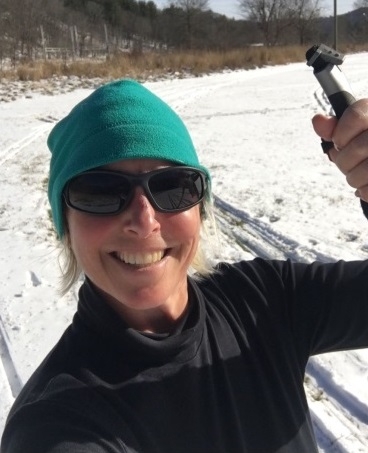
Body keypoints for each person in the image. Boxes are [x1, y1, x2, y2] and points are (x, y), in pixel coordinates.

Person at [2, 78, 368, 453]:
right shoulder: (53, 423)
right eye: (100, 191)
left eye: (172, 186)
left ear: (200, 208)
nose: (144, 221)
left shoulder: (263, 300)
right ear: (65, 225)